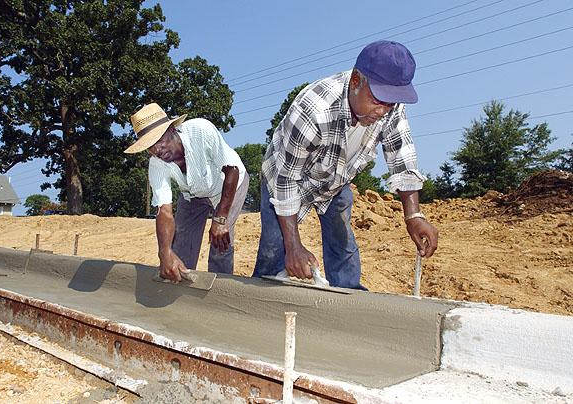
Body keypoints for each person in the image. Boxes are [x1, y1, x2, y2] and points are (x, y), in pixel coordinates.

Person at [252, 40, 438, 290]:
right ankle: (262, 306)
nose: (383, 111)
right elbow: (287, 181)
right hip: (286, 180)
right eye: (377, 100)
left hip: (335, 183)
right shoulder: (313, 110)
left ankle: (346, 303)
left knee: (343, 246)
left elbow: (401, 158)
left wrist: (413, 216)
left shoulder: (390, 106)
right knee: (275, 248)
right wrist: (293, 245)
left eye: (390, 103)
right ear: (355, 81)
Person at [124, 103, 248, 281]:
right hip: (192, 194)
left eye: (159, 140)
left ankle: (221, 289)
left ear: (173, 129)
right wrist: (164, 252)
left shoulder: (201, 130)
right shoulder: (156, 164)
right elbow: (164, 211)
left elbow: (232, 171)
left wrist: (220, 219)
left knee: (220, 242)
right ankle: (180, 287)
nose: (157, 150)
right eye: (150, 146)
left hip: (228, 184)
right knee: (179, 248)